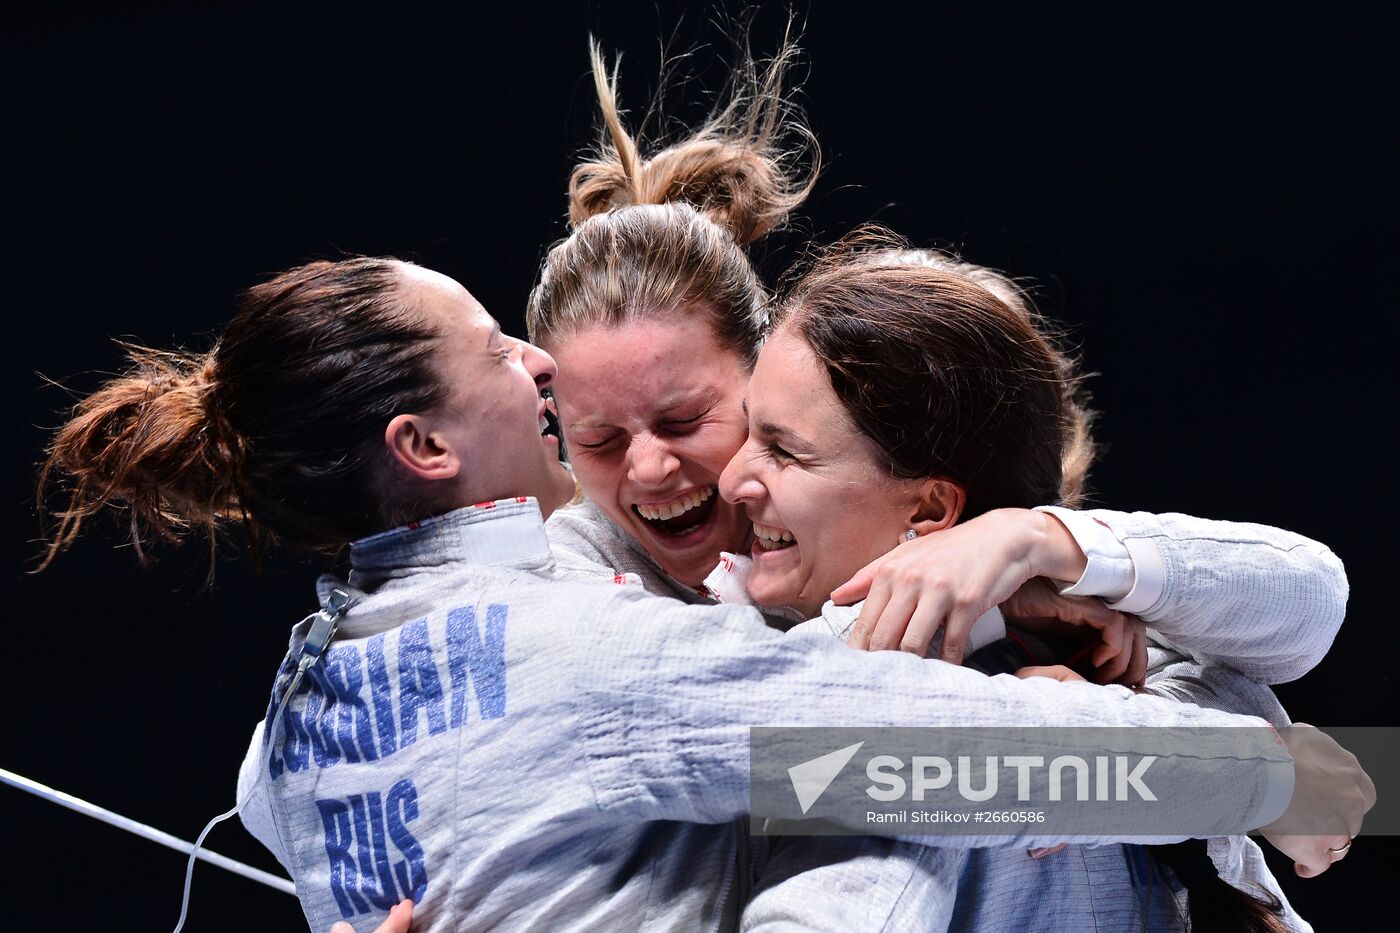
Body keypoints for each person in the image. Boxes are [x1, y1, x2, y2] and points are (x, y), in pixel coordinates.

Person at [38, 257, 1367, 932]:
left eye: (767, 441)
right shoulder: (587, 657)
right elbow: (942, 762)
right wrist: (1278, 779)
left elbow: (1299, 597)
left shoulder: (286, 733)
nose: (532, 363)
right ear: (424, 449)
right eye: (494, 346)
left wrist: (1035, 557)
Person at [721, 239, 1319, 930]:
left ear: (929, 510)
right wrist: (1270, 782)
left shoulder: (1130, 667)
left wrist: (1033, 538)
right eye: (743, 429)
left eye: (784, 450)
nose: (732, 478)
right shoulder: (1074, 679)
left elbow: (1313, 600)